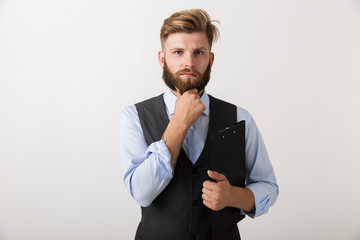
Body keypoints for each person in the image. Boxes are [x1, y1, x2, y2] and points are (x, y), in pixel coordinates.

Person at [120, 9, 279, 240]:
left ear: (210, 59)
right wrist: (179, 122)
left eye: (198, 52)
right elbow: (141, 193)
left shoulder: (240, 118)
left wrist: (232, 196)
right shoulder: (133, 117)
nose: (189, 62)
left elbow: (268, 186)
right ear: (162, 59)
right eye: (178, 52)